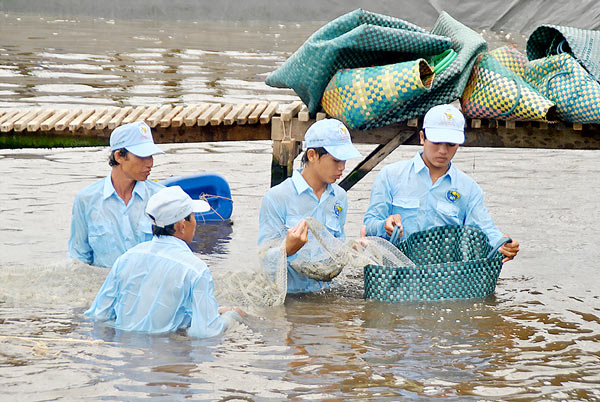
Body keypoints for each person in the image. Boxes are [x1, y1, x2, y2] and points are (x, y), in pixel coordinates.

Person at [363, 104, 520, 262]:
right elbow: (369, 225)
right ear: (422, 137)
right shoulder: (390, 175)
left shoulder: (469, 189)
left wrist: (503, 244)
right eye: (437, 142)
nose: (443, 151)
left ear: (459, 144)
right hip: (396, 271)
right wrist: (384, 225)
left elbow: (485, 230)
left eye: (451, 144)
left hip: (443, 276)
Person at [85, 185, 243, 337]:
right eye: (193, 216)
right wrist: (231, 316)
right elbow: (205, 332)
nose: (196, 223)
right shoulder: (196, 270)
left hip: (126, 351)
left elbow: (99, 315)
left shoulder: (127, 258)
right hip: (166, 352)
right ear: (181, 225)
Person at [258, 118, 362, 293]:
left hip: (325, 293)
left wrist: (350, 250)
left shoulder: (339, 197)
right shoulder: (276, 197)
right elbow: (264, 261)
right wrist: (287, 250)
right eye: (336, 160)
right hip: (289, 296)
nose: (342, 167)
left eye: (345, 160)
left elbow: (337, 246)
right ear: (312, 155)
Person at [68, 121, 165, 268]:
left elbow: (172, 253)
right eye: (142, 156)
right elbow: (79, 257)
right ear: (119, 156)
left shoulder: (161, 197)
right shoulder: (86, 200)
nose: (150, 163)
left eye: (150, 155)